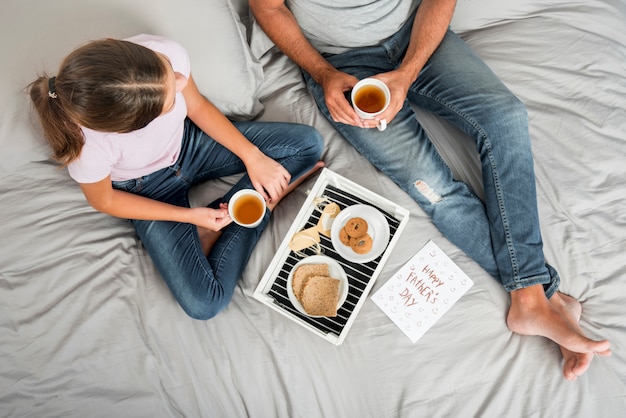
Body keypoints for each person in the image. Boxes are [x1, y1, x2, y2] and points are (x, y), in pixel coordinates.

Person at [249, 0, 611, 379]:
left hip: (417, 37)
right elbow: (270, 8)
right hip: (340, 67)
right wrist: (323, 74)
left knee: (506, 118)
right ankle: (541, 296)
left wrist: (408, 71)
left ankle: (533, 300)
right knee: (434, 187)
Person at [28, 34, 324, 320]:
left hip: (190, 146)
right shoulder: (86, 148)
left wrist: (253, 157)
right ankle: (261, 208)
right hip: (145, 190)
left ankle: (247, 208)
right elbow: (105, 201)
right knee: (204, 303)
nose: (182, 81)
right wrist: (190, 217)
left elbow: (196, 107)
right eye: (170, 99)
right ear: (132, 127)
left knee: (308, 145)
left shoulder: (159, 51)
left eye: (171, 73)